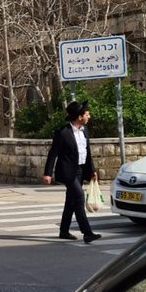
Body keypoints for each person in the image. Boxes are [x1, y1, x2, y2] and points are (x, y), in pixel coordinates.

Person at [43, 101, 101, 243]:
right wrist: (48, 173)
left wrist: (92, 171)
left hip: (80, 170)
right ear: (80, 117)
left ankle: (64, 231)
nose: (89, 116)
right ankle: (87, 233)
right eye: (87, 114)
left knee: (71, 201)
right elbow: (53, 153)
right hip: (68, 172)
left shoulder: (85, 131)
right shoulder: (63, 133)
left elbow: (87, 153)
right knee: (79, 198)